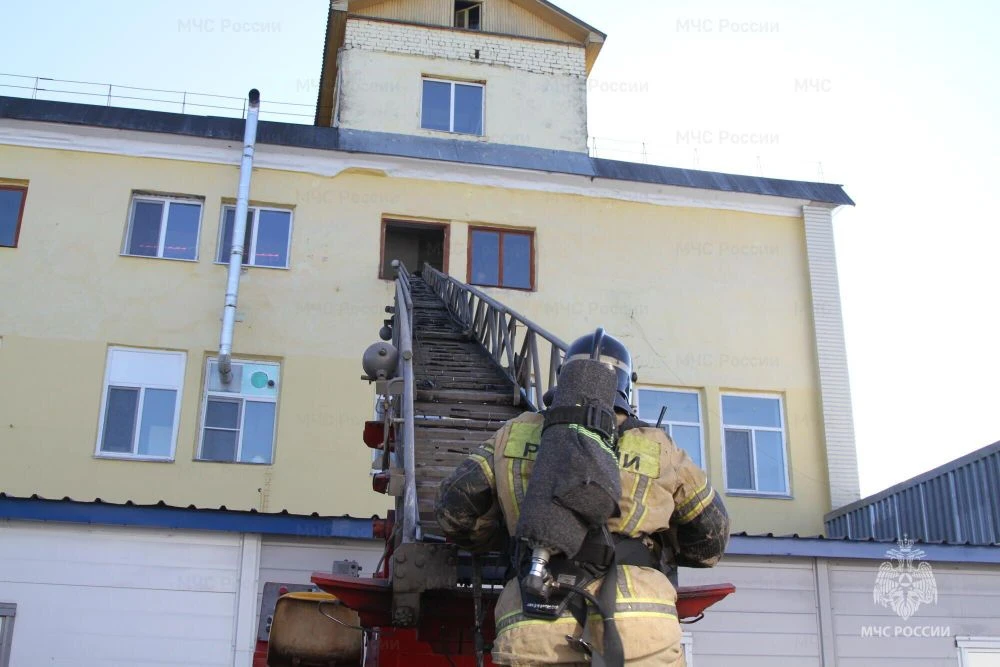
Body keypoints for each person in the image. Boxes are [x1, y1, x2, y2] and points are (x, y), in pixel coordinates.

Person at [434, 330, 730, 666]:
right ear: (626, 386)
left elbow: (453, 509)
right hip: (639, 630)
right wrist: (661, 542)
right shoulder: (658, 446)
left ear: (562, 379)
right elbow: (711, 542)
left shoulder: (514, 435)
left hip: (533, 626)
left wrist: (510, 534)